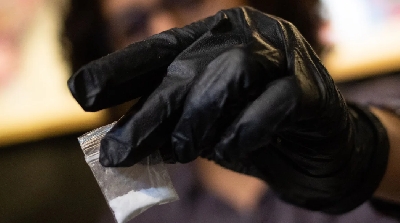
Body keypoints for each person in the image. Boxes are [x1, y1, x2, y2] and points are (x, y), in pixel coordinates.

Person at [64, 0, 400, 222]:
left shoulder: (385, 102)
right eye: (133, 26)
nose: (166, 28)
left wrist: (365, 149)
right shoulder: (140, 207)